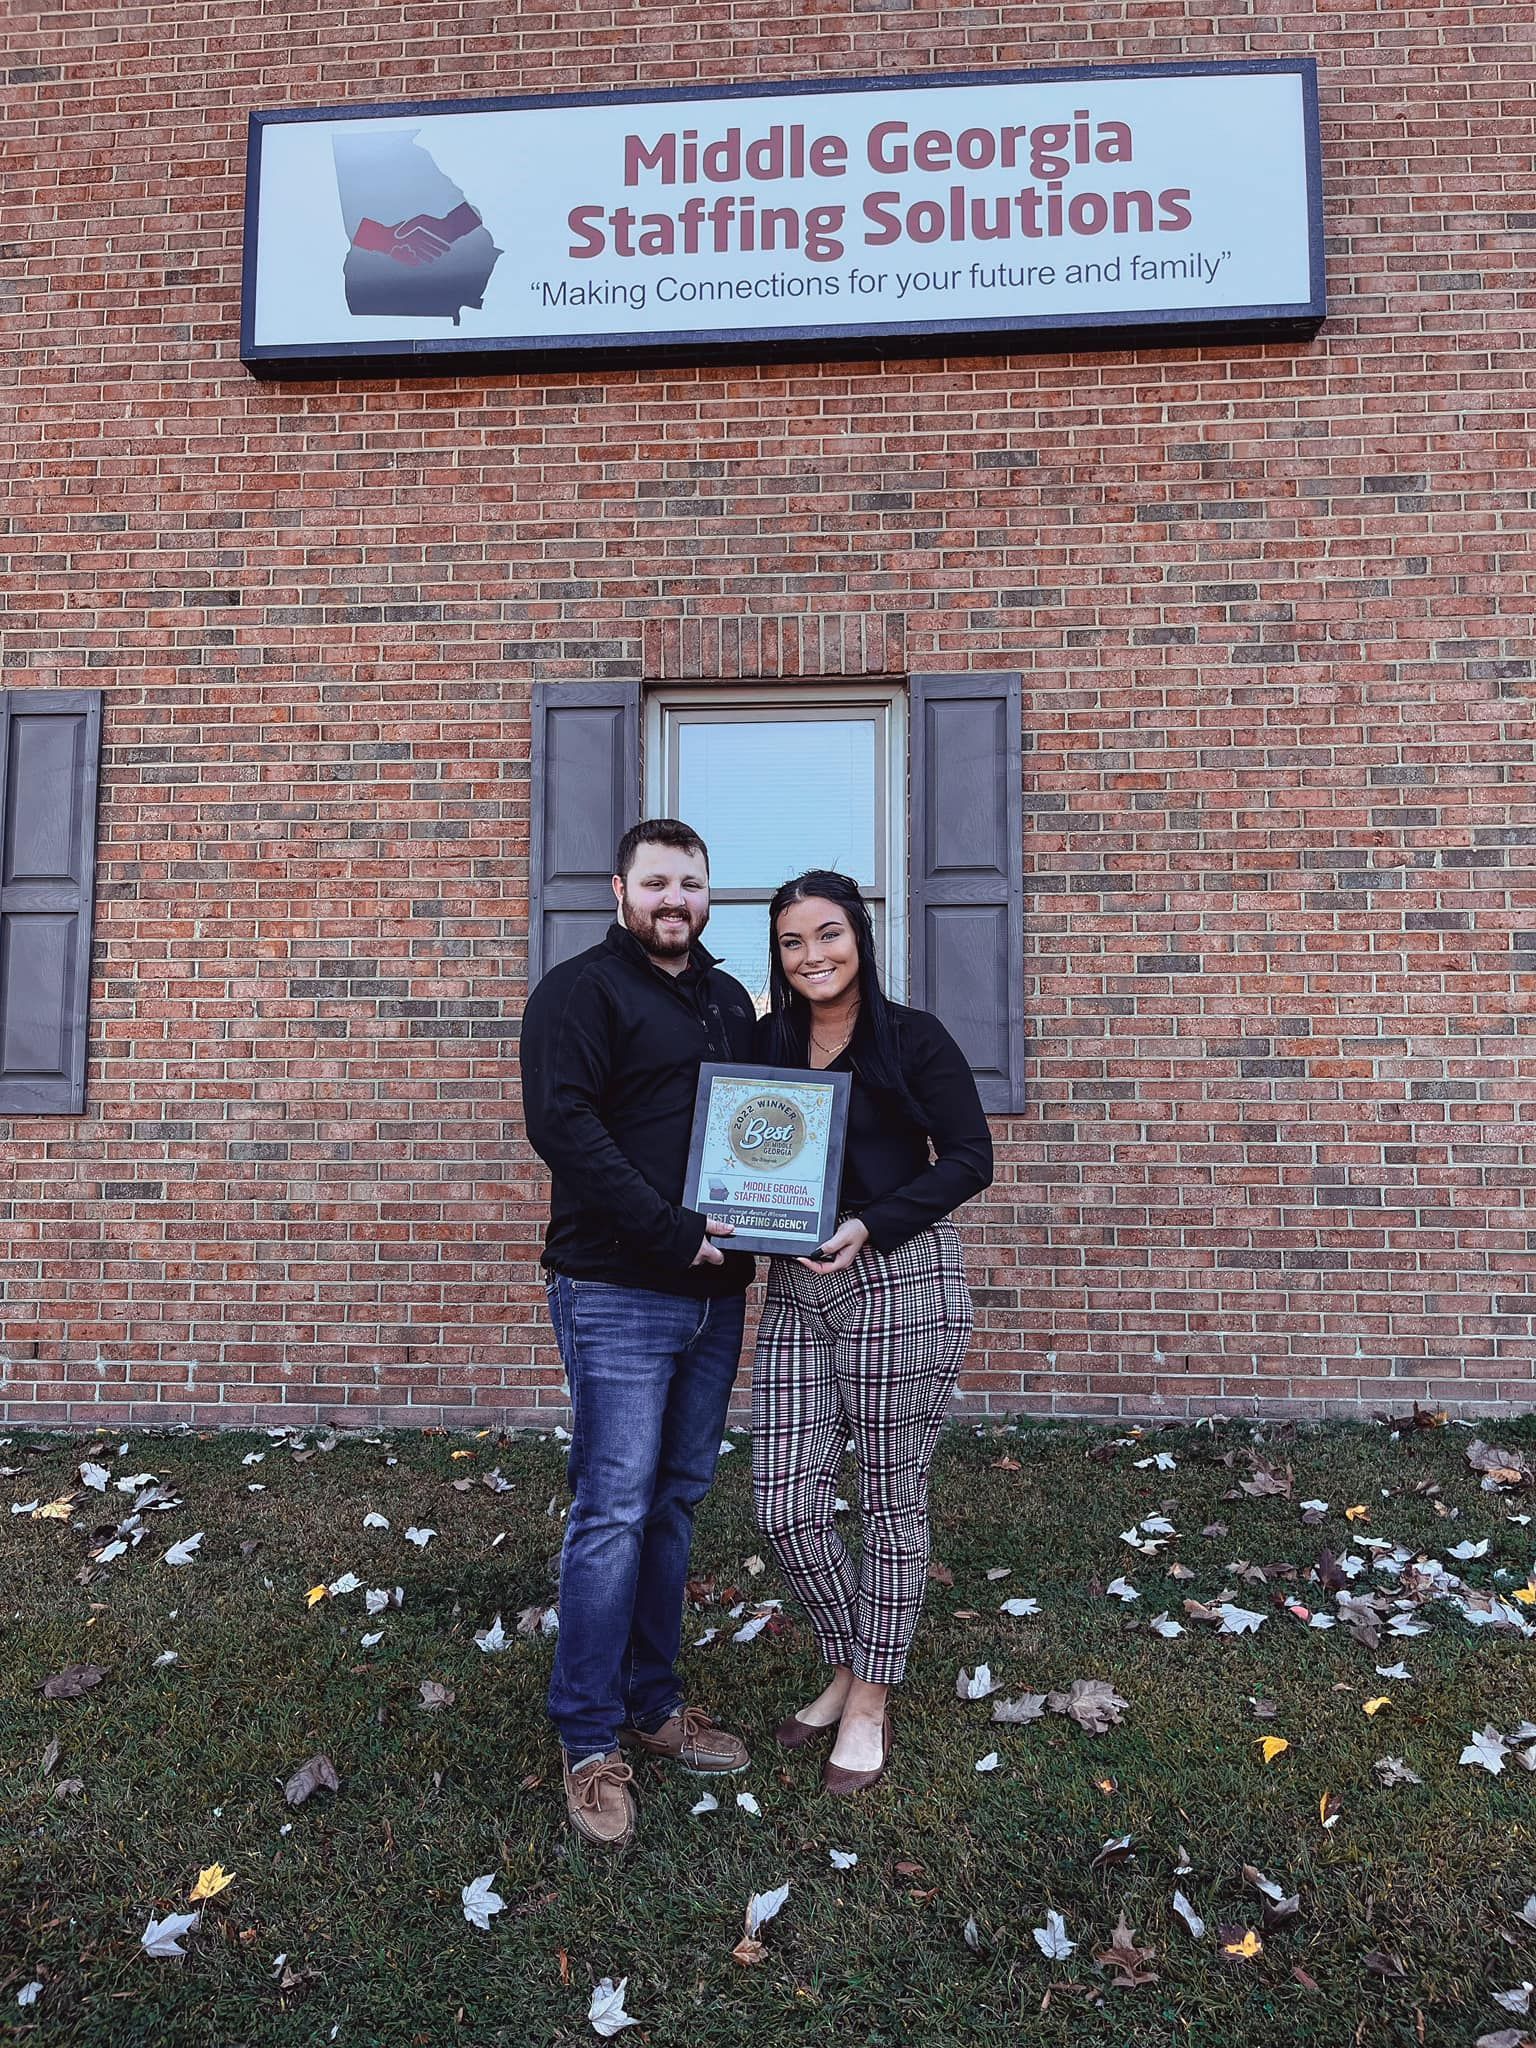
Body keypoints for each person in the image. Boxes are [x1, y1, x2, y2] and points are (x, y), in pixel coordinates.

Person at [519, 818, 757, 1851]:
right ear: (620, 887)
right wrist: (669, 1232)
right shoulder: (579, 993)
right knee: (612, 1506)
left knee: (677, 1496)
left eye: (692, 883)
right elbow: (563, 1127)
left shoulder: (729, 998)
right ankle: (587, 1737)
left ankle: (653, 1705)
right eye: (657, 881)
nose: (675, 899)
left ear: (710, 894)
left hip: (716, 1293)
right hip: (619, 1285)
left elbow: (762, 1129)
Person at [752, 869, 993, 1794]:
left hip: (899, 1278)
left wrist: (872, 1223)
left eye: (828, 935)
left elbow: (971, 1157)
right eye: (792, 942)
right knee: (784, 1502)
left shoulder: (912, 1038)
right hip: (796, 1287)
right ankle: (852, 1653)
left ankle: (867, 1697)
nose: (813, 956)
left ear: (859, 936)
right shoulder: (767, 1045)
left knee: (890, 1500)